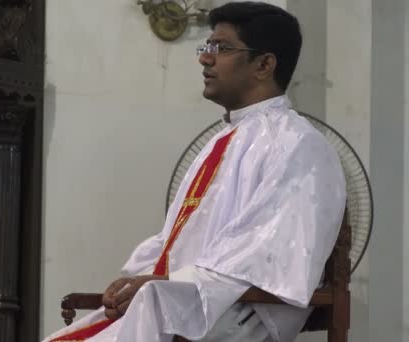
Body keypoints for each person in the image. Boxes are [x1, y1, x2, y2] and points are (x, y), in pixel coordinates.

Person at [43, 2, 346, 341]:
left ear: (264, 64)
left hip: (234, 315)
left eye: (221, 48)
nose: (205, 58)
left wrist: (167, 286)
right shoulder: (220, 142)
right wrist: (137, 280)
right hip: (182, 302)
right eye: (207, 47)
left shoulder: (299, 146)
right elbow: (177, 242)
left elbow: (267, 257)